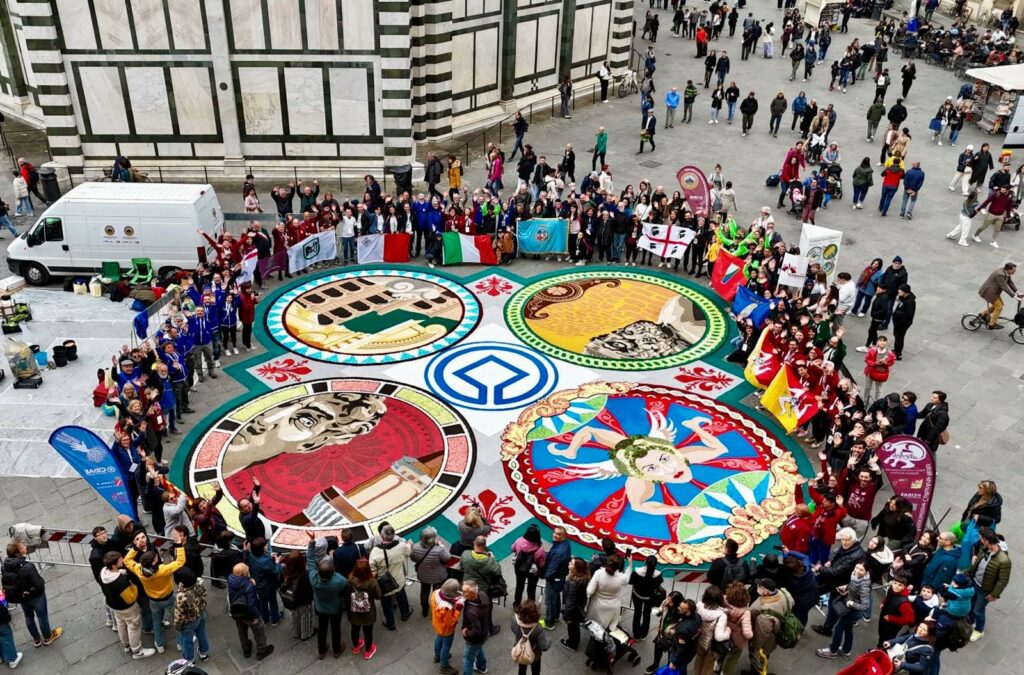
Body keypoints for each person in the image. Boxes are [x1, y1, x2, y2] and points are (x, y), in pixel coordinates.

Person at [122, 541, 185, 654]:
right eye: (155, 558)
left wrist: (135, 548)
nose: (157, 556)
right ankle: (180, 643)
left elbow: (126, 561)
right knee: (178, 620)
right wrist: (179, 546)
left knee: (156, 622)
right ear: (153, 562)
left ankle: (159, 644)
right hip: (169, 598)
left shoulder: (139, 569)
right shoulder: (162, 570)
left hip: (153, 600)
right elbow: (180, 561)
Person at [99, 550, 155, 661]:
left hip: (114, 606)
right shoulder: (120, 581)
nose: (123, 560)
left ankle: (126, 645)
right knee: (133, 626)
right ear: (114, 564)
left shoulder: (103, 573)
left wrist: (119, 572)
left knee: (121, 624)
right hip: (127, 608)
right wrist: (134, 587)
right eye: (120, 560)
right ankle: (137, 650)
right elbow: (130, 598)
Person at [814, 561, 872, 658]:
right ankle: (846, 651)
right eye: (856, 567)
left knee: (838, 629)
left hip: (853, 612)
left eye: (861, 570)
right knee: (848, 629)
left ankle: (832, 651)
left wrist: (852, 603)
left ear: (866, 572)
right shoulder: (856, 576)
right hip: (851, 610)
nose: (857, 571)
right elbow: (854, 587)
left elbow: (865, 606)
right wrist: (847, 588)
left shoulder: (864, 586)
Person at [304, 534, 347, 659]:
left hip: (320, 607)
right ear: (332, 571)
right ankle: (336, 650)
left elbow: (310, 559)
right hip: (335, 609)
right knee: (336, 629)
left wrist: (312, 542)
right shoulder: (339, 580)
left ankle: (321, 651)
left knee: (322, 629)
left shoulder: (313, 578)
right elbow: (346, 586)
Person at [968, 527, 1012, 642]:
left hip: (985, 590)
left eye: (981, 539)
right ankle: (970, 621)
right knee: (971, 604)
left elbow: (1003, 581)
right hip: (975, 582)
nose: (980, 541)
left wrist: (994, 595)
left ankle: (979, 630)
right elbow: (977, 558)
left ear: (987, 540)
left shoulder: (1004, 560)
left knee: (979, 610)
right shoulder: (984, 548)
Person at [368, 524, 412, 630]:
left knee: (386, 603)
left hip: (384, 584)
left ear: (381, 536)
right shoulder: (401, 546)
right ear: (394, 535)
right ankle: (405, 613)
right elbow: (408, 552)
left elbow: (372, 571)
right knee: (401, 595)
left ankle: (390, 623)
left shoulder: (375, 552)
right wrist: (409, 544)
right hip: (400, 579)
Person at [227, 563, 274, 660]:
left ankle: (246, 648)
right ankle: (262, 650)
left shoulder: (231, 579)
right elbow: (251, 604)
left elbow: (239, 585)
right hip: (248, 614)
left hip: (237, 611)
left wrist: (248, 580)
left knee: (242, 631)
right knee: (258, 631)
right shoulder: (249, 586)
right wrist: (256, 616)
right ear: (244, 574)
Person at [172, 566, 210, 663]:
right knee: (201, 634)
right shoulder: (200, 581)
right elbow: (204, 594)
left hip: (189, 621)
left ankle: (189, 659)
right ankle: (204, 653)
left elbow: (179, 614)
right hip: (201, 612)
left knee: (187, 641)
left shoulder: (181, 596)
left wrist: (177, 626)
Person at [411, 526, 451, 618]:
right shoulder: (439, 550)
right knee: (437, 594)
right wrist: (442, 546)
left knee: (424, 593)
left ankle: (424, 611)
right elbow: (447, 558)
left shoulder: (415, 547)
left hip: (423, 575)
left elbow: (413, 559)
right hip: (438, 576)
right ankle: (436, 611)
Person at [347, 558, 381, 660]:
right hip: (368, 613)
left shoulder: (349, 581)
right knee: (368, 632)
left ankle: (356, 647)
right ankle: (368, 651)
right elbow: (378, 596)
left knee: (354, 629)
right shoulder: (373, 582)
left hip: (354, 611)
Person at [586, 554, 630, 630]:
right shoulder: (622, 578)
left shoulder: (599, 573)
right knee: (607, 629)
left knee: (594, 628)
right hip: (613, 606)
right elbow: (627, 576)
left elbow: (589, 591)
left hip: (596, 605)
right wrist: (630, 564)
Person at [693, 585, 730, 675]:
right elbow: (719, 637)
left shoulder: (698, 606)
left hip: (699, 641)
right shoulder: (721, 615)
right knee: (707, 667)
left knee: (698, 661)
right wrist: (728, 632)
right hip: (711, 646)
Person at [244, 537, 281, 626]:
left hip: (258, 585)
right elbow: (275, 571)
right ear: (263, 548)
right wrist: (277, 562)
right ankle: (275, 619)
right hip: (268, 586)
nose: (267, 545)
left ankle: (265, 619)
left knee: (263, 603)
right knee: (272, 602)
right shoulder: (265, 561)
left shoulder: (252, 554)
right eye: (266, 544)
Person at [279, 550, 315, 640]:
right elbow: (308, 590)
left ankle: (296, 632)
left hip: (291, 599)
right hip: (303, 601)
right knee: (305, 616)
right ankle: (306, 634)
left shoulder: (284, 571)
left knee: (294, 615)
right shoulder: (304, 576)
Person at [540, 527, 570, 630]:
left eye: (558, 534)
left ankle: (549, 623)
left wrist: (545, 576)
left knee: (550, 601)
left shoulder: (558, 552)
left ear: (563, 536)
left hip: (554, 579)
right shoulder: (565, 544)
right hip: (560, 577)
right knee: (556, 597)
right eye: (554, 532)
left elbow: (552, 569)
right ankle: (556, 616)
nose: (555, 535)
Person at [431, 578, 463, 675]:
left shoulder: (436, 593)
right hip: (447, 629)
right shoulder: (447, 607)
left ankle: (437, 656)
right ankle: (444, 666)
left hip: (437, 624)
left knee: (438, 639)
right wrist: (458, 610)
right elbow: (451, 622)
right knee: (446, 646)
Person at [511, 524, 547, 610]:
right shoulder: (539, 549)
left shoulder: (519, 541)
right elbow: (542, 564)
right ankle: (531, 607)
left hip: (519, 568)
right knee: (531, 589)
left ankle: (516, 605)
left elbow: (512, 549)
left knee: (519, 586)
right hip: (533, 572)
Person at [720, 582, 753, 675]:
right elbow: (747, 632)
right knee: (732, 657)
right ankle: (725, 672)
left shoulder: (723, 600)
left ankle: (717, 665)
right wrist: (750, 636)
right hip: (737, 639)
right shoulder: (746, 612)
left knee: (722, 650)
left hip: (723, 632)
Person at [461, 580, 492, 675]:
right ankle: (481, 667)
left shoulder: (472, 612)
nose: (462, 593)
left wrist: (466, 632)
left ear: (472, 594)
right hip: (484, 633)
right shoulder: (482, 595)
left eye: (465, 592)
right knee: (478, 649)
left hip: (474, 639)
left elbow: (476, 631)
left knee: (468, 660)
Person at [629, 555, 664, 640]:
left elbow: (631, 582)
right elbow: (658, 585)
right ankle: (643, 634)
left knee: (637, 613)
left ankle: (636, 634)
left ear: (645, 562)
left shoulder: (636, 572)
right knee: (646, 615)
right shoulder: (658, 576)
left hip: (637, 595)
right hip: (649, 598)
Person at [510, 600, 550, 675]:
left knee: (521, 669)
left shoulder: (515, 621)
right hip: (535, 655)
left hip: (520, 651)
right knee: (535, 671)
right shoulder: (538, 629)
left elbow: (513, 629)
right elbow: (544, 647)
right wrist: (549, 642)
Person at [977, 262, 1021, 329]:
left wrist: (1017, 292)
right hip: (989, 293)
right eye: (1014, 270)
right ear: (1009, 269)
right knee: (999, 307)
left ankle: (983, 314)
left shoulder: (1006, 272)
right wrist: (1014, 296)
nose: (1015, 272)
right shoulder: (1000, 274)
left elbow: (1010, 282)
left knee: (1000, 305)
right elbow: (1004, 286)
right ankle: (991, 324)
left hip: (994, 292)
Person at [559, 557, 590, 651]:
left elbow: (570, 601)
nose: (569, 564)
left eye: (572, 564)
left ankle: (572, 643)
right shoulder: (583, 578)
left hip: (573, 610)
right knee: (575, 626)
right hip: (579, 606)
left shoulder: (573, 583)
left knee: (572, 626)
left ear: (576, 569)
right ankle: (574, 641)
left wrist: (566, 615)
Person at [891, 284, 916, 360]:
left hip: (902, 324)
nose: (898, 291)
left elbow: (908, 315)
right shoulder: (903, 297)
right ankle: (896, 350)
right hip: (898, 322)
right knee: (896, 336)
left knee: (899, 338)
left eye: (900, 291)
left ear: (906, 292)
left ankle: (898, 354)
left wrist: (899, 321)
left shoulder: (910, 302)